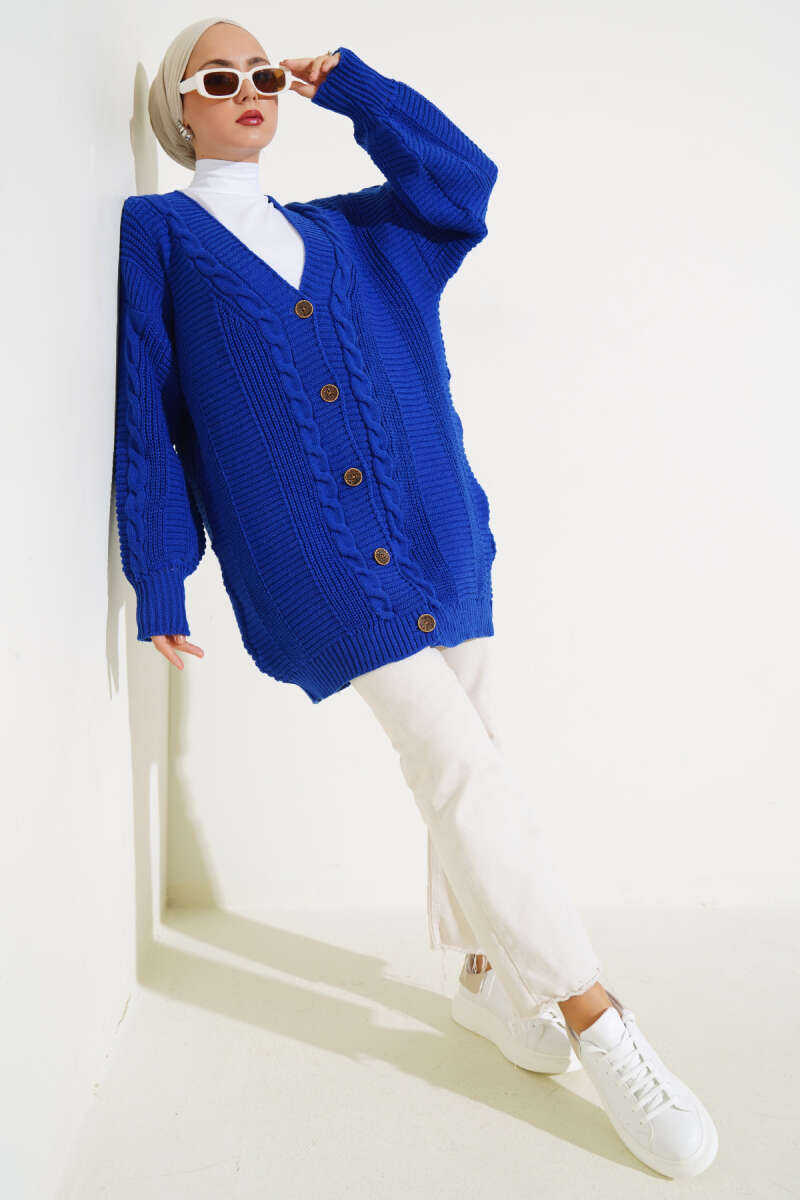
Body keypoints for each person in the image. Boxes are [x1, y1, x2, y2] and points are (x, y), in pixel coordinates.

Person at [114, 17, 718, 1178]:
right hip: (319, 564)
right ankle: (597, 1019)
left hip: (439, 533)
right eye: (218, 78)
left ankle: (486, 979)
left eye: (260, 75)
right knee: (455, 767)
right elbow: (151, 416)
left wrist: (351, 87)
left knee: (474, 760)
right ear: (178, 106)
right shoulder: (161, 232)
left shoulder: (351, 230)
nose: (247, 91)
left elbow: (459, 185)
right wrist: (160, 576)